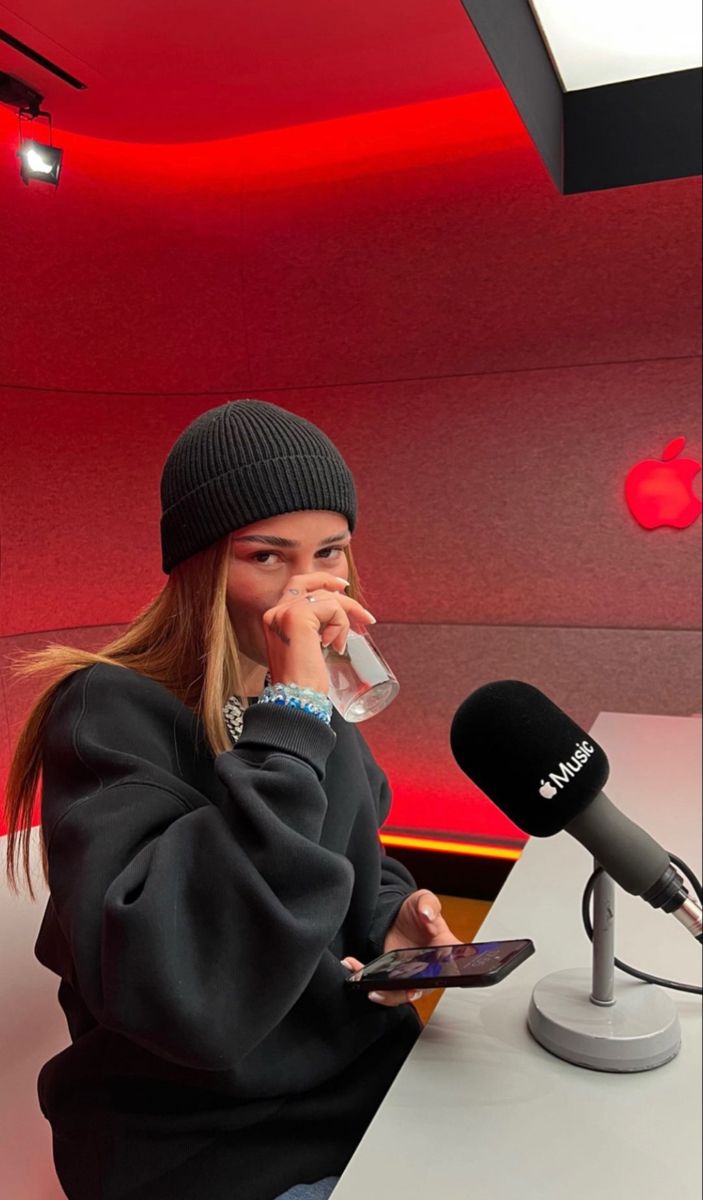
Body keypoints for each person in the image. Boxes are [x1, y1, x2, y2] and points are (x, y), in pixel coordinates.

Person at [3, 399, 461, 1200]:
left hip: (370, 1092)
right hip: (206, 1143)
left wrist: (391, 917)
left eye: (330, 553)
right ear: (199, 566)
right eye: (266, 557)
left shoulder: (308, 705)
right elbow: (184, 984)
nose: (308, 589)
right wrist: (294, 714)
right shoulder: (110, 710)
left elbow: (351, 852)